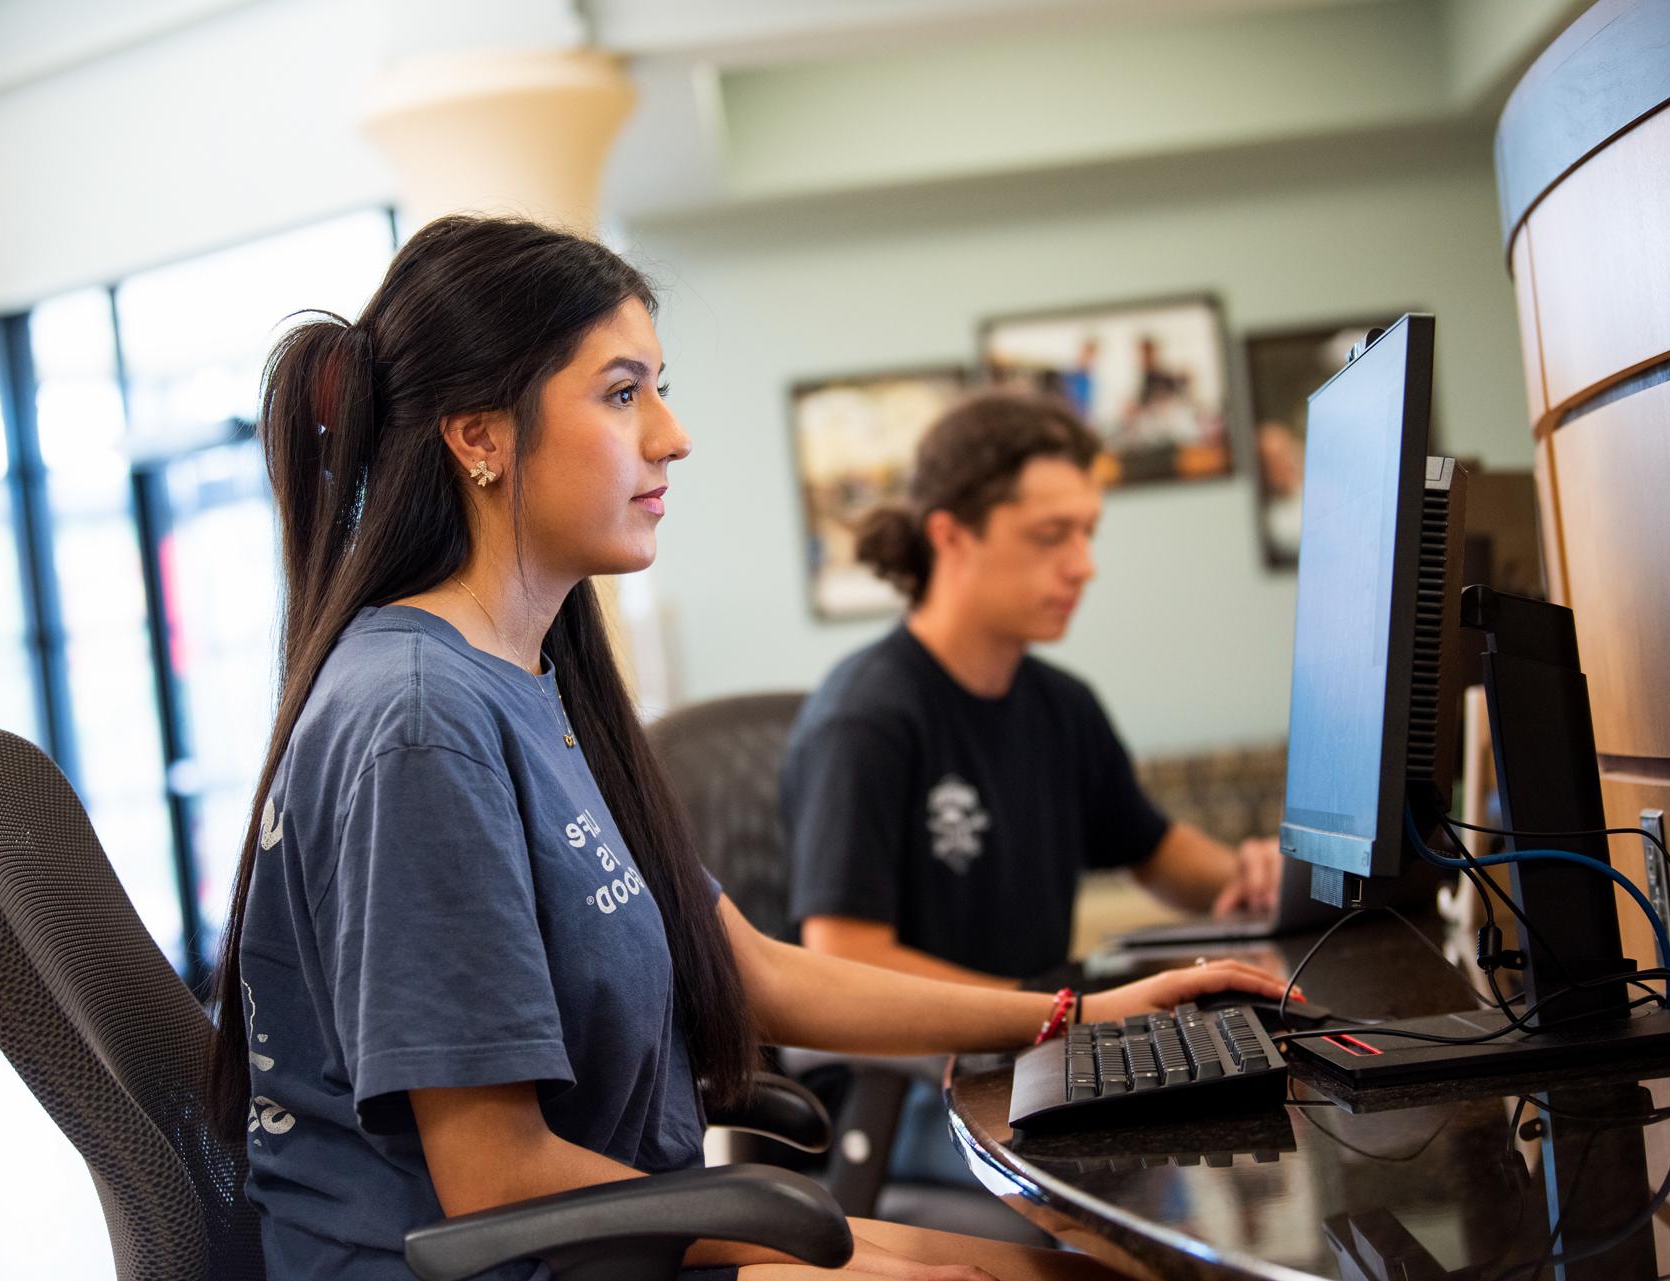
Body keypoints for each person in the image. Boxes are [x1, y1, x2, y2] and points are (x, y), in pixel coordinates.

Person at [204, 217, 1289, 1281]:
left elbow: (750, 969)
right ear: (478, 433)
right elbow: (494, 1178)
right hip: (535, 1257)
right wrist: (799, 1230)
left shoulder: (531, 678)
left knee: (1095, 1269)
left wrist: (1077, 1018)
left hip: (626, 1235)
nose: (671, 435)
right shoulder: (420, 721)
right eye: (623, 393)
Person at [781, 393, 1284, 1188]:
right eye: (1052, 536)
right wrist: (1044, 1013)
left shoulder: (1060, 704)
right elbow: (842, 955)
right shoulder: (868, 717)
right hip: (918, 1085)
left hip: (1037, 1048)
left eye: (1087, 532)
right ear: (950, 535)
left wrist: (1253, 876)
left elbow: (1155, 852)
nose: (1083, 563)